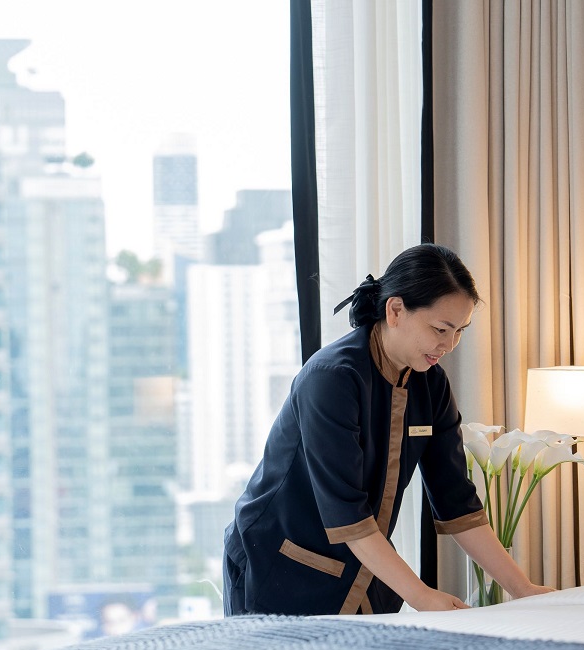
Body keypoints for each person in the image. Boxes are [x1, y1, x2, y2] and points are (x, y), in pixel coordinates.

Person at [222, 243, 552, 616]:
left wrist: (523, 589)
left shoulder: (431, 383)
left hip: (363, 562)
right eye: (440, 329)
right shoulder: (332, 378)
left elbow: (456, 500)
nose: (449, 345)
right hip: (281, 563)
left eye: (460, 331)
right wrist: (422, 596)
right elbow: (346, 511)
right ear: (395, 310)